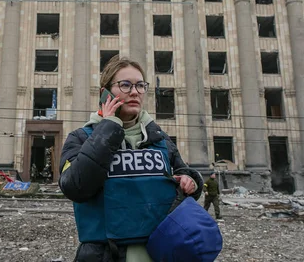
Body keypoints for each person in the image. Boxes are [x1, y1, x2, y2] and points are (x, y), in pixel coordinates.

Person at [59, 56, 203, 262]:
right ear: (105, 93)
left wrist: (191, 182)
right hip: (106, 255)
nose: (134, 92)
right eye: (125, 85)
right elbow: (74, 186)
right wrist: (108, 127)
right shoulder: (81, 137)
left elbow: (184, 173)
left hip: (159, 251)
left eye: (140, 85)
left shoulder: (158, 137)